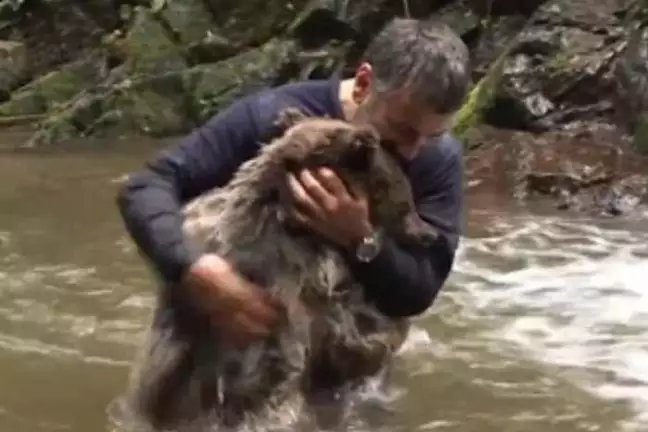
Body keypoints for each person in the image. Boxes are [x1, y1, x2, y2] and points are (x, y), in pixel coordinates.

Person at [116, 17, 471, 350]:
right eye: (402, 130)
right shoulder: (270, 115)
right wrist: (194, 271)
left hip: (347, 341)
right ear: (364, 83)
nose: (413, 152)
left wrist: (359, 239)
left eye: (434, 135)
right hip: (239, 317)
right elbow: (146, 186)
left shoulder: (438, 159)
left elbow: (419, 293)